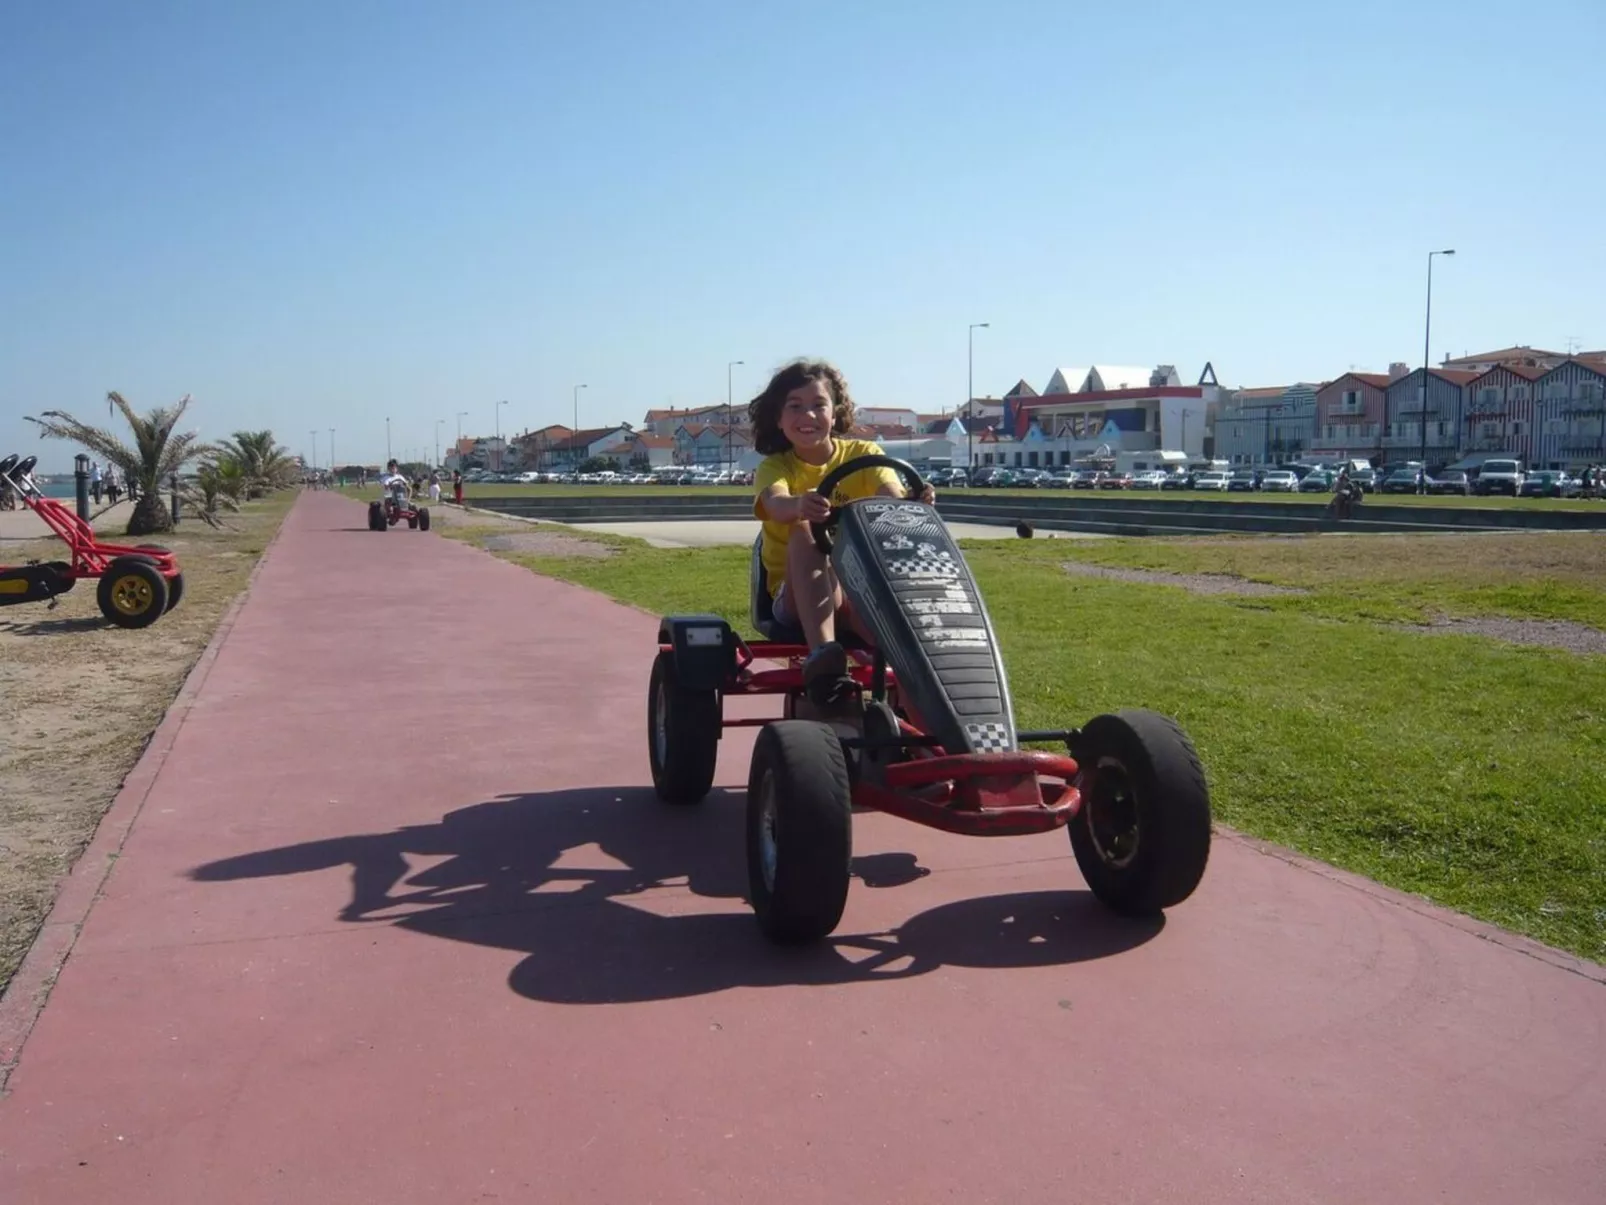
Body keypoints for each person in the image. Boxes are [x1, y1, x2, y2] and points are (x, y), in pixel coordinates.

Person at [750, 358, 936, 705]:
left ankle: (936, 743)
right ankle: (825, 660)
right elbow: (775, 503)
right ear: (778, 417)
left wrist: (912, 502)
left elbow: (890, 495)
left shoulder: (864, 454)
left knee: (909, 655)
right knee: (806, 531)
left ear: (835, 414)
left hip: (855, 592)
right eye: (795, 407)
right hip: (792, 596)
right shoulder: (776, 466)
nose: (808, 416)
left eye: (819, 406)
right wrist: (798, 506)